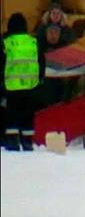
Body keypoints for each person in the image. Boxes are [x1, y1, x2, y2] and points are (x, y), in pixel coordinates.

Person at [2, 13, 45, 151]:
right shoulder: (33, 42)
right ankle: (27, 141)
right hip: (31, 86)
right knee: (28, 113)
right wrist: (40, 78)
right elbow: (41, 61)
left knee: (12, 113)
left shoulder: (6, 42)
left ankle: (12, 141)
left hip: (12, 86)